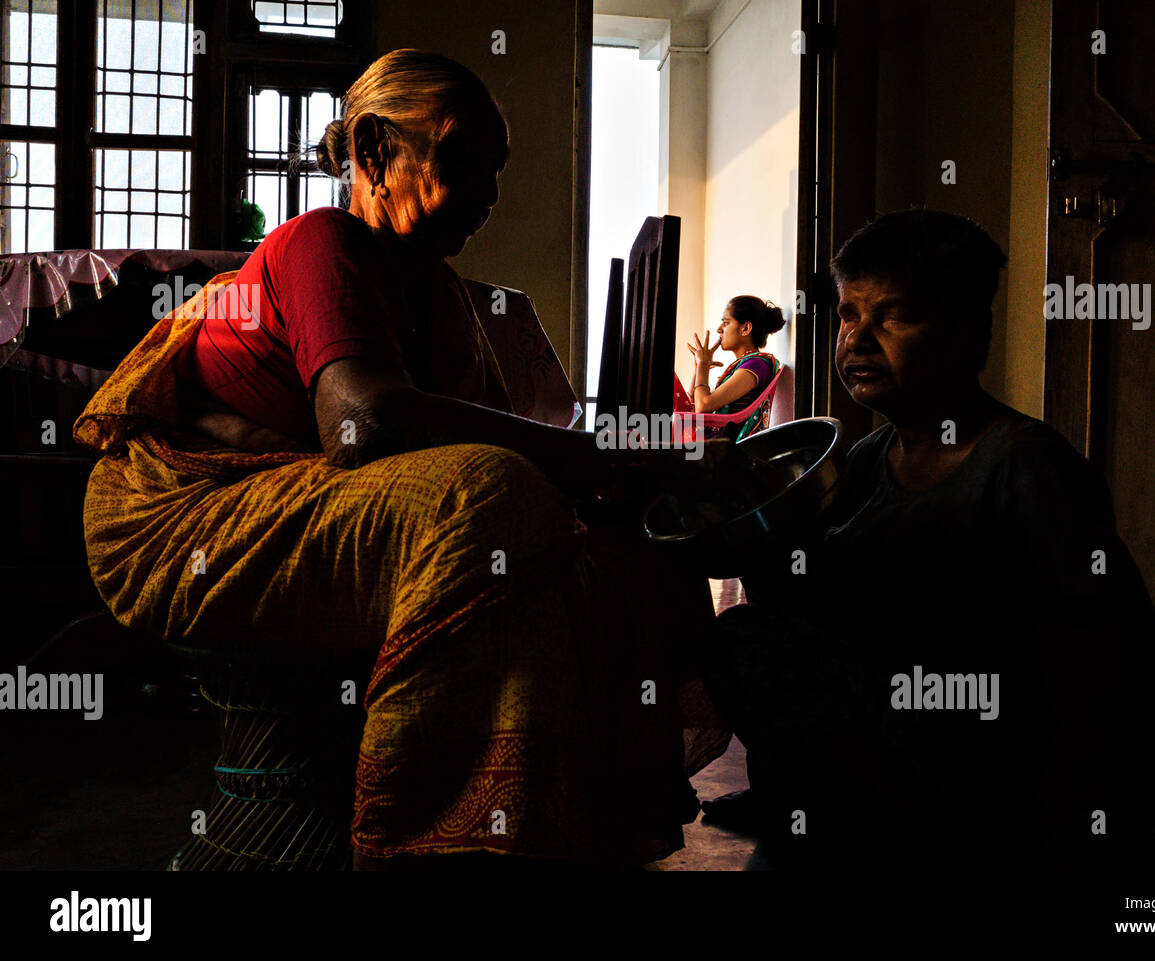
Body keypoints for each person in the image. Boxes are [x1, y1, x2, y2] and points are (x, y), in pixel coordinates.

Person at [74, 49, 741, 869]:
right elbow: (367, 426)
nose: (489, 194)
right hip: (179, 527)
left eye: (496, 171)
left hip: (294, 502)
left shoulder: (440, 293)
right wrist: (600, 452)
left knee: (613, 548)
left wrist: (634, 473)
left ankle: (559, 830)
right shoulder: (320, 240)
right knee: (488, 494)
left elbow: (478, 438)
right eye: (462, 159)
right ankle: (435, 842)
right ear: (374, 152)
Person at [697, 209, 1155, 871]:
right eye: (848, 314)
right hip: (882, 746)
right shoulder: (866, 458)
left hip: (986, 777)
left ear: (969, 334)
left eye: (894, 316)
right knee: (738, 636)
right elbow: (808, 609)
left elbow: (1091, 677)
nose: (858, 340)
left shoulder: (1026, 469)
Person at [686, 296, 784, 440]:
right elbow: (692, 407)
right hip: (711, 445)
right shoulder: (747, 364)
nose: (719, 330)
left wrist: (703, 366)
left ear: (745, 328)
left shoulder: (757, 364)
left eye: (726, 323)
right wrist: (699, 369)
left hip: (724, 450)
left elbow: (703, 405)